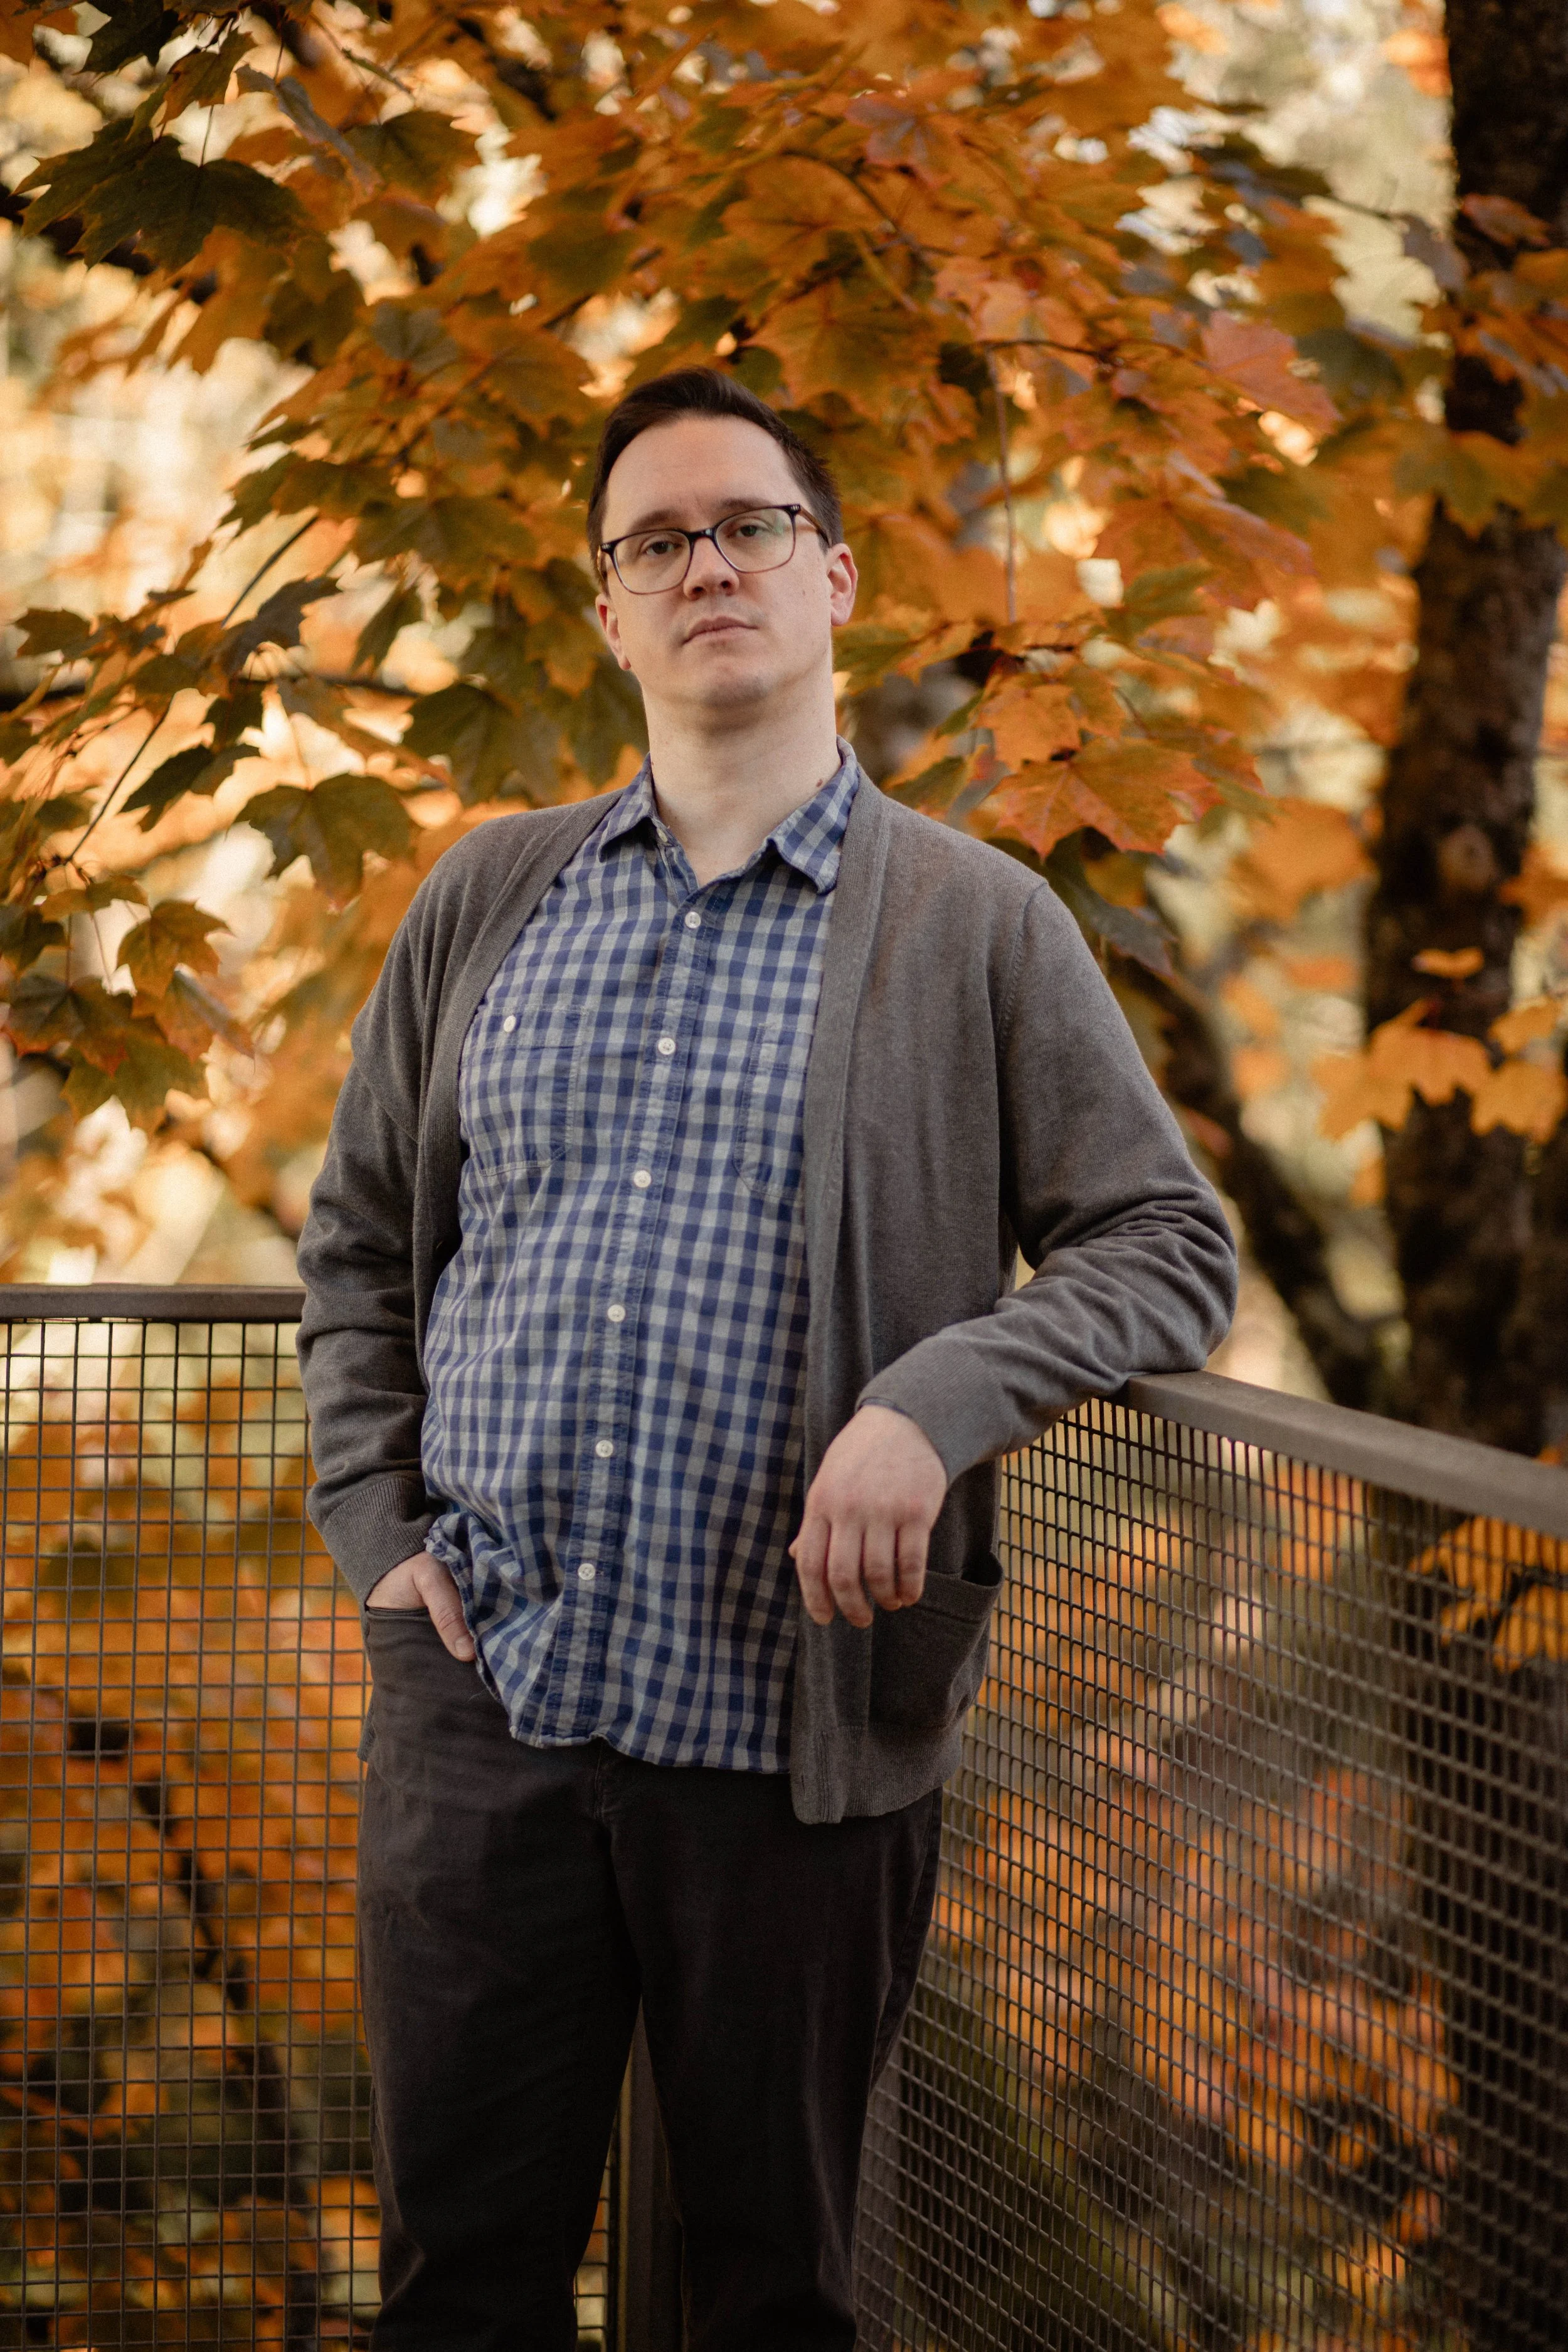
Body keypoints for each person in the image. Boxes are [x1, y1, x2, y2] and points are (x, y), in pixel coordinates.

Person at [296, 365, 1237, 2351]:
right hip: (486, 1702)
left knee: (780, 2303)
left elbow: (1164, 1243)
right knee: (455, 2293)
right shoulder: (488, 893)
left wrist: (927, 1401)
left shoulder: (974, 925)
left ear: (832, 578)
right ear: (609, 608)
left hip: (795, 1745)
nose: (705, 561)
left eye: (746, 527)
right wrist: (378, 1528)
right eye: (658, 540)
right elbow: (362, 1236)